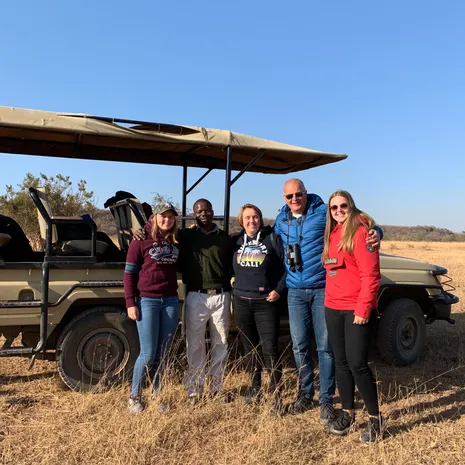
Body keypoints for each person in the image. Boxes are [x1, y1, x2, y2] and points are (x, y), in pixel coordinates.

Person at [274, 179, 381, 424]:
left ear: (306, 193)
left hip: (322, 289)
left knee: (326, 348)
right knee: (299, 346)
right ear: (284, 198)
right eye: (289, 196)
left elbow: (359, 222)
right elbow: (266, 237)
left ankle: (326, 400)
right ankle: (305, 394)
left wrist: (377, 232)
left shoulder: (323, 211)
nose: (294, 199)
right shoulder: (281, 220)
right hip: (296, 291)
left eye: (298, 194)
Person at [134, 198, 232, 403]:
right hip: (196, 295)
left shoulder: (224, 237)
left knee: (220, 343)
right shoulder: (186, 235)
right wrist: (142, 230)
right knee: (195, 345)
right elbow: (160, 229)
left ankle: (216, 388)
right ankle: (194, 390)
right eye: (199, 211)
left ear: (212, 211)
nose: (203, 213)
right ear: (194, 214)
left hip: (221, 295)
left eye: (206, 210)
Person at [322, 190, 382, 443]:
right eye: (334, 207)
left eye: (343, 205)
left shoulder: (361, 232)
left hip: (355, 309)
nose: (339, 211)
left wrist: (363, 309)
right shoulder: (332, 233)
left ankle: (376, 419)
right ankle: (348, 413)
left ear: (351, 206)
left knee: (358, 364)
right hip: (332, 307)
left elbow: (371, 276)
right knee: (341, 362)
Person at [124, 202, 180, 414]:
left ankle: (158, 396)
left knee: (164, 353)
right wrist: (130, 303)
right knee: (148, 352)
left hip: (170, 301)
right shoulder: (140, 240)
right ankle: (134, 396)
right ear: (154, 217)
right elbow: (129, 274)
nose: (167, 220)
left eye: (171, 217)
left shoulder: (176, 239)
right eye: (163, 216)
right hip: (147, 300)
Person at [231, 204, 286, 411]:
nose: (251, 221)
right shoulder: (235, 241)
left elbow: (287, 268)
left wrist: (279, 290)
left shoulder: (272, 239)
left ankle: (276, 394)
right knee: (249, 349)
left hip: (266, 303)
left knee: (270, 349)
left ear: (260, 219)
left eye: (255, 217)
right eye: (247, 217)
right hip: (241, 302)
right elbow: (227, 264)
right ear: (241, 221)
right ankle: (255, 389)